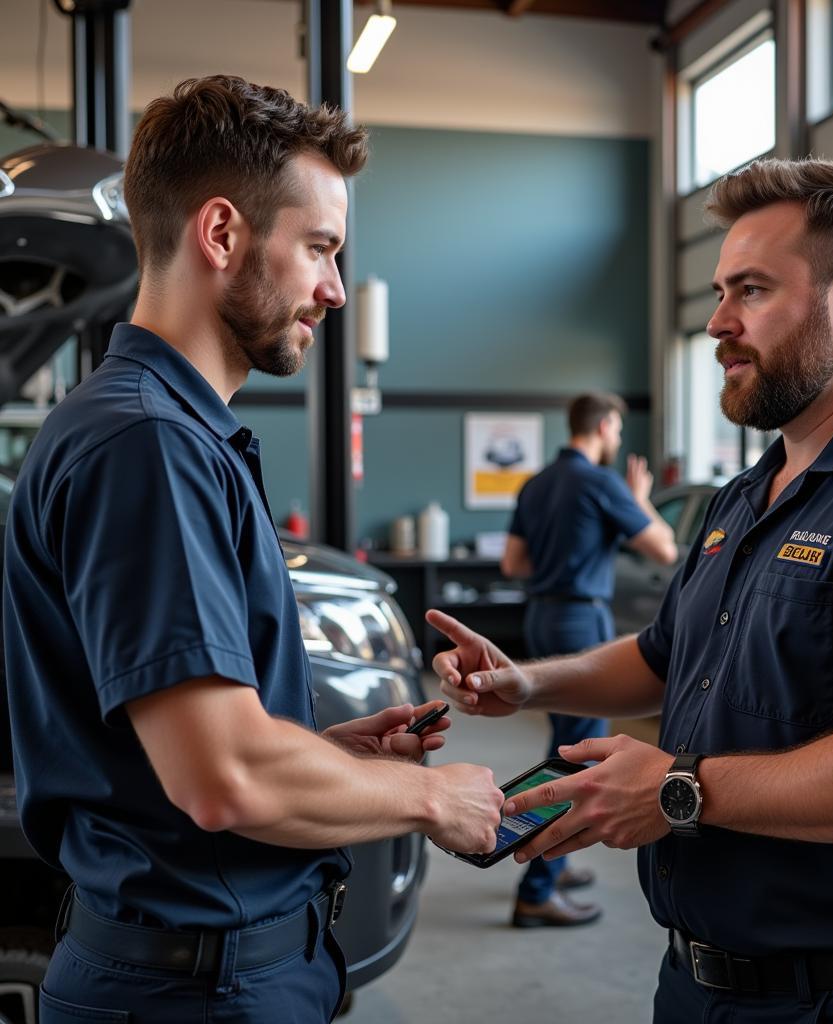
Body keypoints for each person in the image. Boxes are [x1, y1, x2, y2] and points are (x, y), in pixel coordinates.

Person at [430, 157, 833, 1022]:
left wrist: (678, 788)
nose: (717, 323)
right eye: (720, 291)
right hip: (704, 985)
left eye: (750, 291)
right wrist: (529, 681)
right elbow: (666, 658)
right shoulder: (748, 494)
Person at [2, 75, 504, 1024]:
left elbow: (171, 756)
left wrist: (322, 754)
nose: (336, 289)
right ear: (222, 233)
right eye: (318, 247)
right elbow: (222, 777)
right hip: (194, 988)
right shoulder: (147, 446)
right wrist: (430, 798)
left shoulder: (167, 434)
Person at [499, 392, 677, 927]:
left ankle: (559, 856)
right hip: (582, 620)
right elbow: (664, 549)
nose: (618, 440)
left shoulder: (536, 483)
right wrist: (639, 498)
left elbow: (513, 563)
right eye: (618, 431)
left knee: (564, 742)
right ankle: (537, 887)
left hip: (541, 616)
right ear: (602, 427)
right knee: (577, 756)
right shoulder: (601, 483)